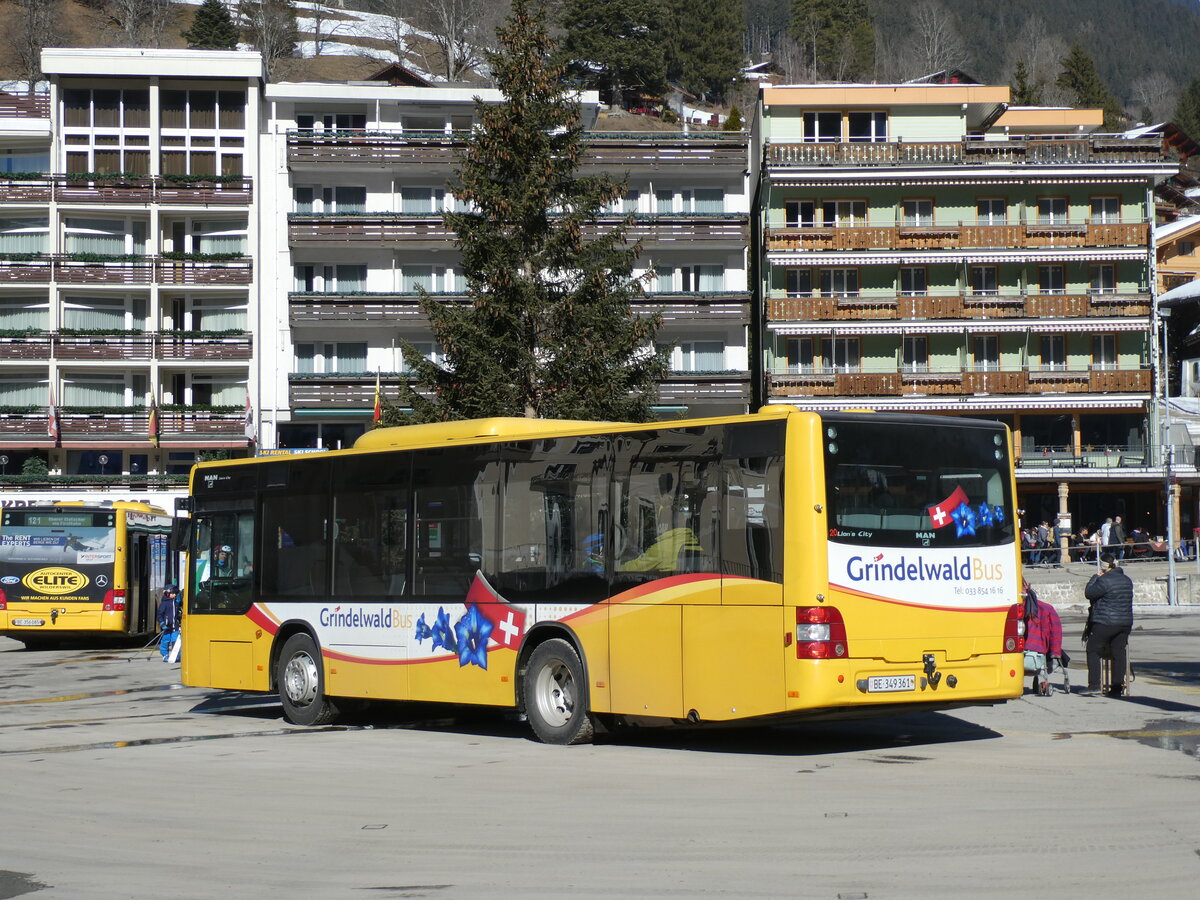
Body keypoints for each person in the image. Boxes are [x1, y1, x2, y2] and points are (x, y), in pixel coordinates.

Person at [1082, 554, 1134, 696]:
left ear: (1104, 567)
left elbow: (1089, 593)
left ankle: (1094, 685)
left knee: (1093, 650)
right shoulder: (1127, 580)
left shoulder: (1104, 580)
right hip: (1125, 622)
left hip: (1105, 622)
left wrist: (1095, 577)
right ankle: (1117, 687)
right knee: (1119, 652)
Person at [1023, 580, 1065, 694]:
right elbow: (1056, 631)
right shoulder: (1046, 608)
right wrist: (1055, 651)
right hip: (1039, 650)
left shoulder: (1013, 609)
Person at [156, 584, 181, 663]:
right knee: (165, 641)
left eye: (175, 594)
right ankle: (165, 655)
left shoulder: (176, 603)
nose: (174, 595)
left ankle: (176, 655)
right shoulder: (164, 603)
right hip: (166, 627)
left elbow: (178, 613)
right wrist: (162, 624)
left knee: (175, 641)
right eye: (172, 593)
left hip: (175, 627)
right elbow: (159, 615)